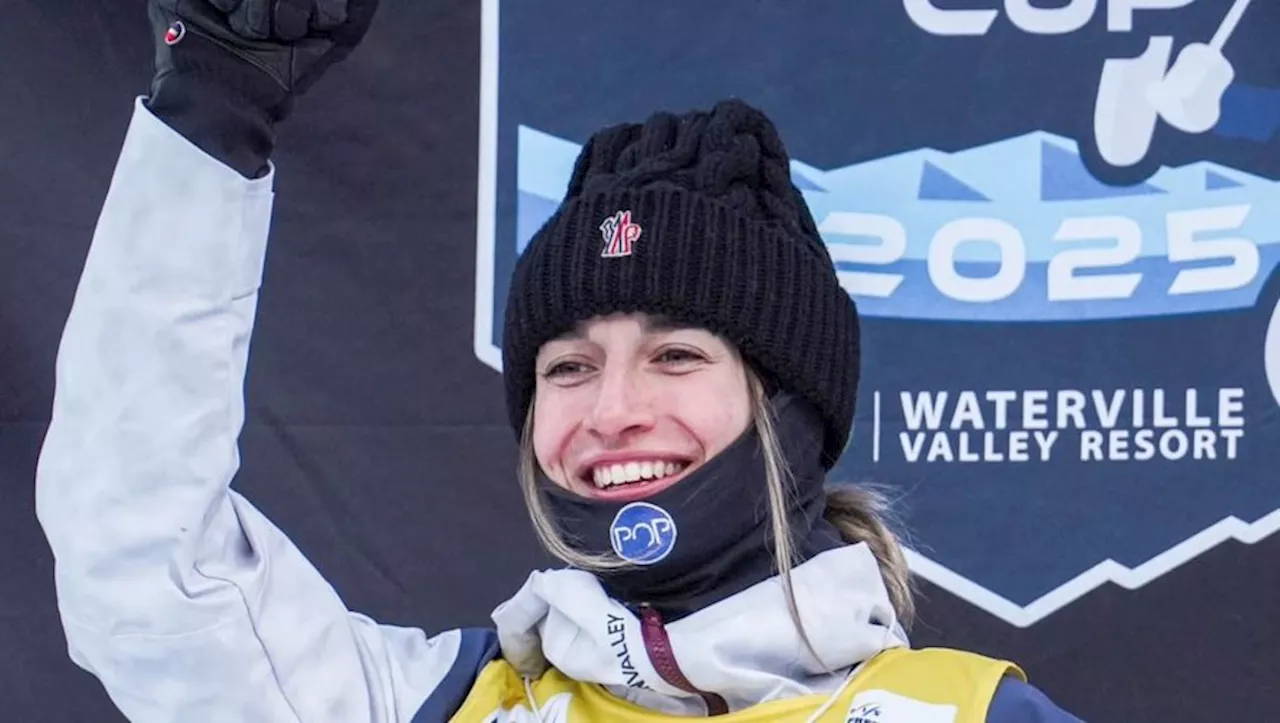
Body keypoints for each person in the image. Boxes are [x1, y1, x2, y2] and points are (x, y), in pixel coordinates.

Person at [34, 1, 1084, 721]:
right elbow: (140, 555)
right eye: (567, 368)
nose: (612, 410)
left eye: (676, 355)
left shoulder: (970, 712)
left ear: (791, 411)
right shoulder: (433, 703)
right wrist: (209, 112)